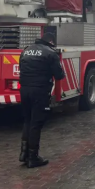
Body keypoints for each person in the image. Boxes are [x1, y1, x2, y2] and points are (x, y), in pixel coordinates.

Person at [18, 32, 65, 168]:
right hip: (39, 91)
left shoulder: (26, 51)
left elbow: (21, 68)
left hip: (24, 90)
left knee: (27, 120)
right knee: (36, 123)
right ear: (51, 42)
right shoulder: (50, 53)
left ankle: (24, 154)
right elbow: (59, 75)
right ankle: (33, 157)